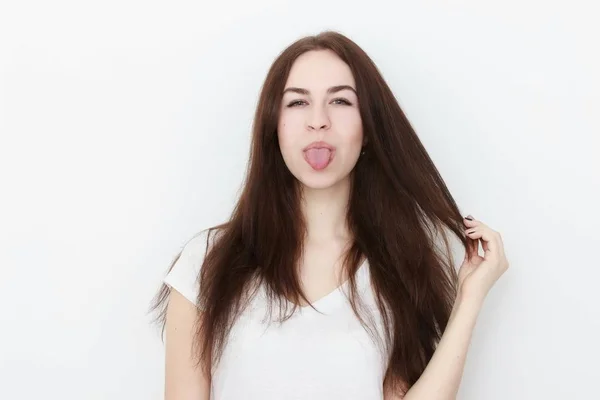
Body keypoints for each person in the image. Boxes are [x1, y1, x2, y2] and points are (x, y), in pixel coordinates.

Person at [149, 30, 509, 400]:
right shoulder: (205, 262)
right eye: (297, 103)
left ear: (368, 129)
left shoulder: (399, 269)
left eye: (339, 101)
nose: (318, 121)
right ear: (273, 127)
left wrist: (470, 297)